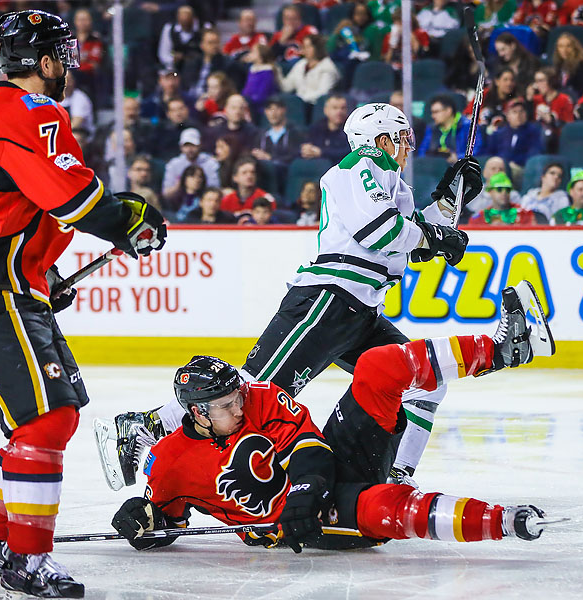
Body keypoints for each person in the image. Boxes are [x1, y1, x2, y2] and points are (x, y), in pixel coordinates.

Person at [0, 12, 168, 599]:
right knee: (44, 421)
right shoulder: (32, 113)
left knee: (53, 417)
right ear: (44, 62)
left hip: (1, 279)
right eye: (62, 57)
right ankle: (26, 560)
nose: (68, 68)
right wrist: (128, 221)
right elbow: (73, 200)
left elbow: (8, 205)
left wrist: (40, 273)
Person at [104, 103, 484, 491]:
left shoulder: (392, 183)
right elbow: (380, 231)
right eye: (404, 138)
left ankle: (396, 477)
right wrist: (436, 236)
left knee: (425, 383)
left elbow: (412, 241)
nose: (409, 147)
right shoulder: (361, 164)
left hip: (361, 311)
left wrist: (449, 200)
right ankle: (149, 423)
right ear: (382, 140)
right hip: (328, 299)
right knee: (257, 392)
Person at [110, 296, 556, 552]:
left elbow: (310, 448)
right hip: (316, 520)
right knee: (387, 504)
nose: (241, 407)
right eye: (227, 404)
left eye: (239, 395)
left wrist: (304, 491)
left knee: (379, 365)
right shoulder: (169, 463)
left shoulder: (259, 398)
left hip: (329, 470)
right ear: (198, 414)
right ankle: (504, 522)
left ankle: (502, 350)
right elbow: (165, 520)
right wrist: (141, 522)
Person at [485, 98, 544, 177]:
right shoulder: (500, 133)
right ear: (508, 115)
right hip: (500, 167)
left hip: (521, 168)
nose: (518, 115)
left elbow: (534, 153)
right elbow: (489, 152)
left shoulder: (534, 131)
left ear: (526, 114)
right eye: (514, 112)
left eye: (521, 111)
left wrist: (515, 163)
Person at [416, 95, 480, 162]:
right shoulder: (431, 128)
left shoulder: (468, 126)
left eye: (436, 112)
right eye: (432, 112)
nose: (433, 116)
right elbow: (422, 151)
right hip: (436, 166)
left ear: (448, 111)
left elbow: (477, 150)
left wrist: (458, 158)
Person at [281, 34, 341, 104]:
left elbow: (322, 94)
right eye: (303, 47)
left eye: (308, 47)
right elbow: (287, 87)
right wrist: (276, 71)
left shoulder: (328, 68)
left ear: (317, 48)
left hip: (316, 106)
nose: (304, 50)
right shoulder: (300, 65)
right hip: (300, 105)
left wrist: (300, 99)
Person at [162, 128, 220, 197]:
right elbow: (166, 193)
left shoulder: (210, 163)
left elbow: (215, 188)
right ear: (181, 147)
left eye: (193, 145)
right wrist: (180, 184)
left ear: (200, 145)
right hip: (179, 200)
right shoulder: (173, 164)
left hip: (204, 199)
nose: (189, 149)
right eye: (186, 146)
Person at [251, 95, 306, 166]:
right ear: (265, 112)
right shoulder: (261, 135)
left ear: (284, 110)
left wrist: (270, 158)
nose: (273, 113)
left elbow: (295, 157)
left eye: (277, 108)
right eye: (270, 109)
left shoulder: (295, 133)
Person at [469, 172, 539, 225]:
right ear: (490, 191)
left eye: (508, 190)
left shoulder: (525, 215)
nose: (504, 193)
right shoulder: (479, 218)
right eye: (499, 189)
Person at [530, 67, 574, 152]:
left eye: (541, 81)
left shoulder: (564, 100)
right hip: (536, 139)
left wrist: (552, 121)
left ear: (551, 81)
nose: (537, 85)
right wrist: (528, 100)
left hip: (558, 140)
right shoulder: (535, 99)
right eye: (536, 81)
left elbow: (569, 126)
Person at [181, 29, 234, 99]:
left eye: (217, 42)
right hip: (190, 100)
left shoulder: (227, 64)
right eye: (210, 43)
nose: (214, 46)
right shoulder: (192, 63)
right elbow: (185, 85)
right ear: (202, 45)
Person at [301, 94, 351, 164]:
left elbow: (347, 151)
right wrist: (307, 150)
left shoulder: (351, 129)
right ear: (326, 110)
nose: (339, 112)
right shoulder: (316, 127)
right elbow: (307, 144)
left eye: (343, 108)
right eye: (335, 108)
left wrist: (321, 152)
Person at [551, 33, 583, 100]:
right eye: (560, 46)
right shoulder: (559, 65)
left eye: (568, 46)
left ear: (575, 48)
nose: (564, 50)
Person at [157, 5, 203, 72]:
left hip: (197, 67)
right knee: (170, 75)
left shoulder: (203, 28)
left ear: (193, 18)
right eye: (182, 20)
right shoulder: (169, 29)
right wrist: (173, 59)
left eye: (187, 20)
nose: (185, 23)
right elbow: (163, 53)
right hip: (175, 68)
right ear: (178, 18)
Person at [241, 44, 282, 113]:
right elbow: (247, 89)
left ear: (261, 56)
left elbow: (262, 95)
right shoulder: (252, 70)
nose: (250, 54)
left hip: (262, 108)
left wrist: (247, 102)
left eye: (253, 52)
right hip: (250, 104)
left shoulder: (267, 72)